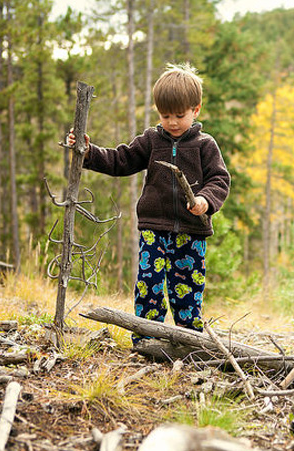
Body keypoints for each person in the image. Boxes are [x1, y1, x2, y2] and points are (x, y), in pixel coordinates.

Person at [67, 63, 230, 342]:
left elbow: (220, 180)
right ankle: (146, 339)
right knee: (149, 286)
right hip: (154, 229)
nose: (173, 122)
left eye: (180, 115)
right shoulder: (151, 140)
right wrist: (89, 153)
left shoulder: (205, 145)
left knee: (188, 289)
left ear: (196, 110)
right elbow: (121, 160)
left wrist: (205, 200)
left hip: (192, 233)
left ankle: (189, 340)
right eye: (166, 115)